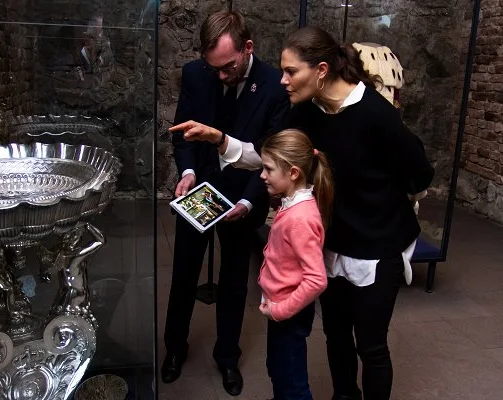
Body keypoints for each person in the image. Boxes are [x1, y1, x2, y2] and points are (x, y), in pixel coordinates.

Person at [183, 26, 435, 400]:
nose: (282, 80)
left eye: (291, 72)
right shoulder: (305, 111)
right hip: (332, 243)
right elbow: (271, 159)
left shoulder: (377, 115)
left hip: (378, 249)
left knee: (371, 346)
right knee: (335, 336)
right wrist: (220, 139)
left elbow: (419, 178)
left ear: (320, 70)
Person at [163, 10, 290, 396]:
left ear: (247, 48)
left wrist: (251, 204)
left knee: (235, 283)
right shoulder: (195, 73)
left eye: (228, 67)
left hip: (243, 196)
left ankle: (227, 358)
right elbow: (183, 136)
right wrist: (185, 173)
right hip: (198, 191)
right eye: (213, 67)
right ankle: (174, 349)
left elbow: (272, 155)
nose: (220, 75)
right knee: (183, 273)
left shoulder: (273, 85)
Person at [258, 129, 330, 400]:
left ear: (293, 173)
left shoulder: (300, 218)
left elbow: (316, 280)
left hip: (288, 310)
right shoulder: (290, 204)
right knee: (278, 369)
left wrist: (280, 311)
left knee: (292, 383)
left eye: (268, 169)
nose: (262, 175)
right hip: (280, 304)